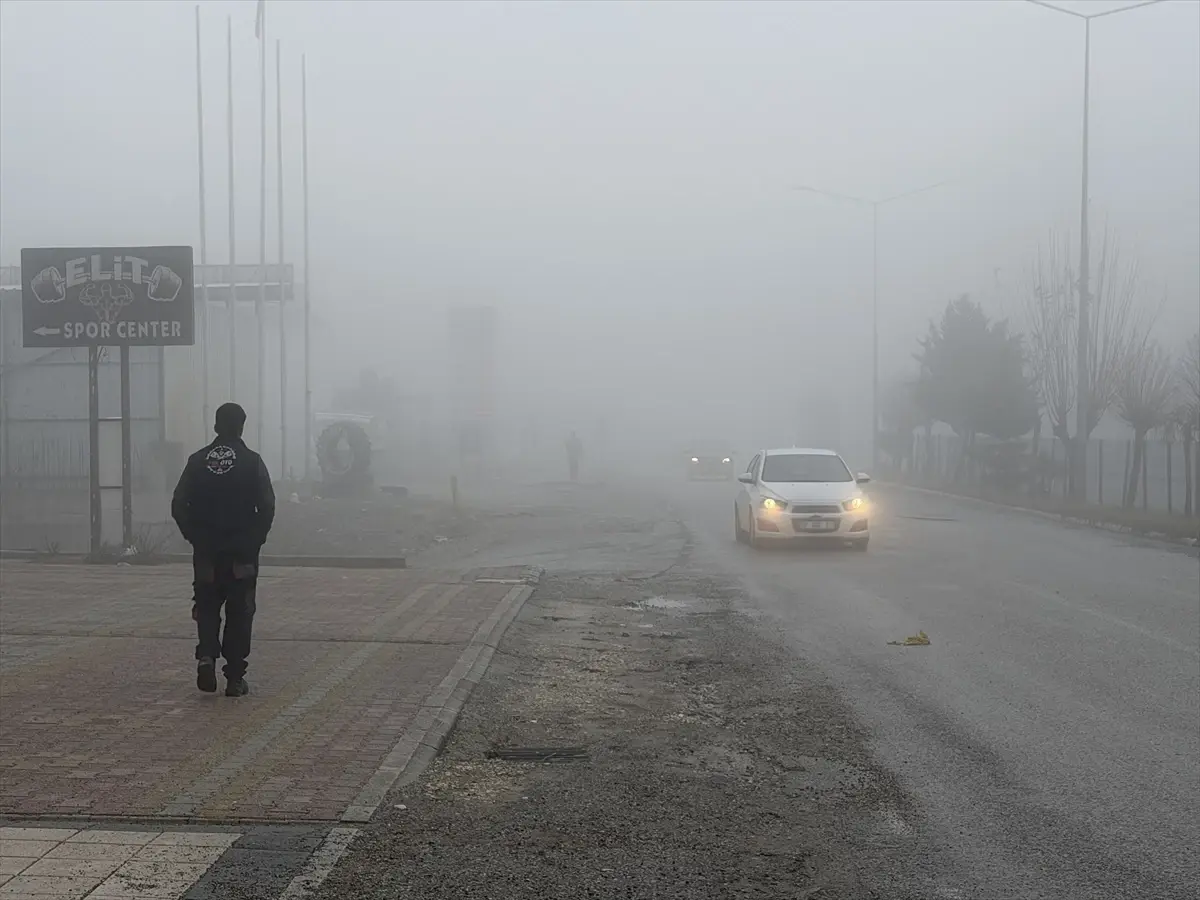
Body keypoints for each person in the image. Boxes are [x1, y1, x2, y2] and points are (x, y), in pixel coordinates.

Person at [171, 403, 275, 697]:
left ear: (216, 426)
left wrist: (195, 536)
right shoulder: (252, 462)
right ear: (241, 427)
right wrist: (254, 539)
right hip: (241, 554)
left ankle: (206, 657)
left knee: (207, 604)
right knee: (240, 610)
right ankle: (234, 677)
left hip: (206, 552)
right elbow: (267, 506)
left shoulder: (197, 461)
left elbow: (179, 504)